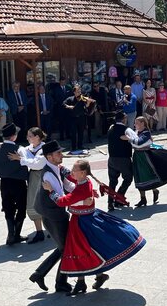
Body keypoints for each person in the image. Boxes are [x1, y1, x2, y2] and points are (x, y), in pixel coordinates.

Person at [42, 159, 146, 295]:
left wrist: (50, 191)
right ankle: (87, 280)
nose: (72, 172)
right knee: (86, 250)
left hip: (83, 223)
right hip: (85, 220)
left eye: (75, 170)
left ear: (83, 172)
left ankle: (85, 281)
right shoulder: (85, 181)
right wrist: (61, 168)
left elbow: (62, 202)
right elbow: (71, 178)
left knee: (83, 250)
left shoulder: (80, 189)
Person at [29, 140, 75, 293]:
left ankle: (40, 274)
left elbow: (67, 185)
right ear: (49, 156)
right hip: (53, 214)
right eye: (58, 153)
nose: (61, 155)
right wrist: (78, 198)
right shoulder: (48, 173)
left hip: (54, 213)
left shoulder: (56, 168)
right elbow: (61, 197)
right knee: (66, 249)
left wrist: (80, 189)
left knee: (64, 247)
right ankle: (59, 282)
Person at [122, 116, 167, 207]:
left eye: (136, 123)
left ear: (142, 124)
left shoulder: (146, 133)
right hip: (137, 156)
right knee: (139, 177)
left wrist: (129, 139)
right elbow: (135, 143)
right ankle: (143, 199)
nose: (134, 125)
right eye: (135, 123)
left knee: (148, 175)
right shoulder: (135, 133)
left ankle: (155, 190)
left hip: (145, 157)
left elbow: (139, 142)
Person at [0, 123, 28, 245]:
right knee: (21, 207)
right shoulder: (20, 149)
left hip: (4, 182)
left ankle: (10, 234)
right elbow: (28, 162)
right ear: (13, 136)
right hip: (18, 182)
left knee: (8, 207)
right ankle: (15, 234)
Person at [8, 127, 47, 244]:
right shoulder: (27, 149)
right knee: (33, 202)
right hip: (34, 178)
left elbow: (37, 164)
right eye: (27, 136)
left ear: (38, 137)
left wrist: (21, 159)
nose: (28, 138)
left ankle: (52, 228)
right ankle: (39, 231)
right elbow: (20, 151)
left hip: (45, 176)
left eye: (30, 136)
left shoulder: (45, 148)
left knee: (48, 201)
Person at [107, 111, 133, 212]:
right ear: (124, 119)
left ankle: (110, 203)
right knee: (128, 178)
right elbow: (134, 139)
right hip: (123, 159)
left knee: (112, 182)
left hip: (112, 159)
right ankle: (119, 198)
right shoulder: (126, 129)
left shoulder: (111, 128)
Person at [63, 85, 93, 152]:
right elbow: (63, 103)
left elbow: (86, 107)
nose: (79, 93)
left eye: (79, 91)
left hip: (81, 118)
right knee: (73, 133)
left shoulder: (82, 99)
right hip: (73, 118)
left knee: (81, 132)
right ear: (74, 92)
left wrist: (88, 102)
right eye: (77, 91)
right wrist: (68, 106)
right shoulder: (70, 99)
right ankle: (73, 146)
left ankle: (80, 145)